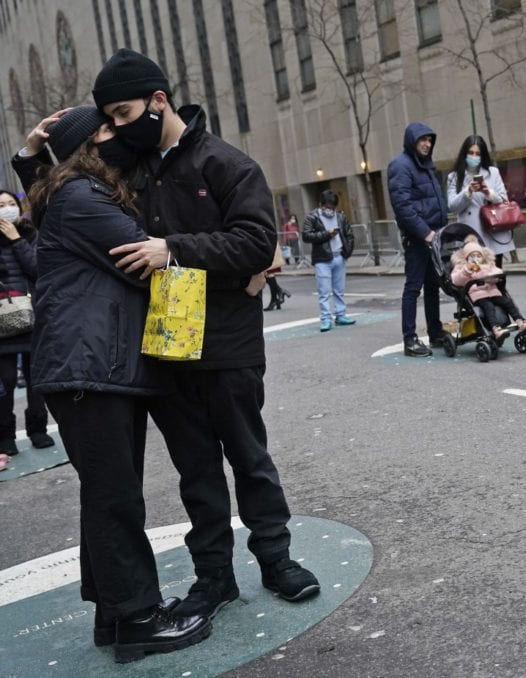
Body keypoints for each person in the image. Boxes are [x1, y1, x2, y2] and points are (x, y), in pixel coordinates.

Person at [87, 48, 319, 619]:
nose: (117, 127)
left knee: (249, 457)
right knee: (196, 472)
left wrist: (174, 251)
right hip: (167, 347)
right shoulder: (130, 171)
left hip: (229, 344)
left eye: (123, 112)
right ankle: (214, 577)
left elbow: (255, 243)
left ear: (158, 101)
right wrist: (31, 155)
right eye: (109, 118)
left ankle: (276, 559)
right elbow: (65, 194)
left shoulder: (225, 163)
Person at [24, 105, 210, 663]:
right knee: (116, 499)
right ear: (88, 145)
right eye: (108, 128)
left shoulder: (72, 191)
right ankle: (137, 620)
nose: (121, 134)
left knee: (108, 495)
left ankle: (116, 612)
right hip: (89, 369)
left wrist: (32, 154)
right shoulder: (82, 197)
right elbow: (145, 256)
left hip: (94, 368)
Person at [0, 188, 54, 456]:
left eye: (11, 203)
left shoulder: (30, 233)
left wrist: (15, 240)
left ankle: (38, 429)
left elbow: (37, 267)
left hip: (33, 316)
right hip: (2, 323)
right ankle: (5, 435)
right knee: (6, 380)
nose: (7, 208)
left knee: (37, 380)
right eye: (1, 205)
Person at [388, 122, 448, 357]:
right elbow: (403, 206)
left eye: (430, 140)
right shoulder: (400, 165)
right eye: (422, 140)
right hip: (419, 238)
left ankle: (435, 331)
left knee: (433, 286)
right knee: (413, 288)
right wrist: (425, 233)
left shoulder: (426, 165)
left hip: (434, 236)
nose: (427, 143)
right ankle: (410, 340)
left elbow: (435, 200)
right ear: (412, 141)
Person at [449, 235, 526, 340]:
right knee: (488, 306)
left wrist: (488, 274)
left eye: (478, 256)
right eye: (472, 256)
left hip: (493, 292)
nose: (476, 258)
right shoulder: (462, 267)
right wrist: (467, 270)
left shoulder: (488, 265)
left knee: (507, 302)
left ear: (482, 256)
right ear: (466, 258)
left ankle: (521, 321)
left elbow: (498, 272)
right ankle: (496, 328)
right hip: (478, 296)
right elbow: (456, 280)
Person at [446, 135, 513, 267]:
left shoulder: (492, 172)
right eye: (471, 153)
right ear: (464, 154)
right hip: (471, 234)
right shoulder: (454, 177)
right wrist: (468, 191)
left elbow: (504, 200)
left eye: (478, 154)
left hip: (493, 230)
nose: (474, 157)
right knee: (475, 276)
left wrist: (488, 192)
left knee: (495, 276)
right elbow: (452, 206)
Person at [301, 189, 355, 331]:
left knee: (339, 290)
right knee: (324, 291)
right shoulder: (312, 217)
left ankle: (341, 315)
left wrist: (347, 252)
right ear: (320, 205)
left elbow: (349, 234)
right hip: (322, 259)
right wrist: (326, 234)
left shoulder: (340, 217)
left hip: (339, 257)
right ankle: (325, 318)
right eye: (327, 207)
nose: (330, 210)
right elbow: (306, 236)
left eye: (332, 207)